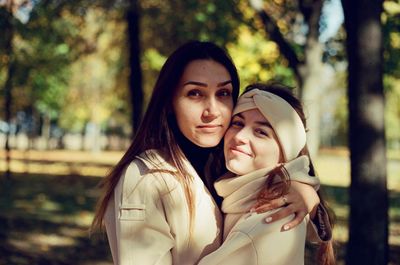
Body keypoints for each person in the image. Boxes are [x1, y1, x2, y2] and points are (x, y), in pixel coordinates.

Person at [90, 41, 330, 265]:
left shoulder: (228, 166)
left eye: (223, 94)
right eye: (195, 93)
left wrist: (302, 189)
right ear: (170, 102)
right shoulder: (145, 178)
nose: (212, 111)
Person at [198, 83, 334, 265]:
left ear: (286, 152)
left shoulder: (270, 219)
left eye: (261, 132)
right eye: (237, 123)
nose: (239, 136)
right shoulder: (235, 195)